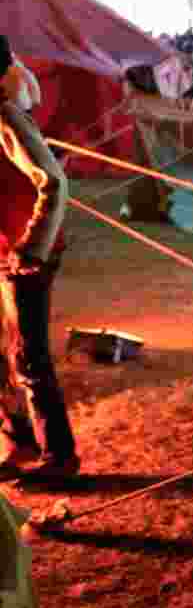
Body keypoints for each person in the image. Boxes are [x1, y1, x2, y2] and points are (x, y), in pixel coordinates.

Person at [0, 36, 79, 482]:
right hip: (3, 250)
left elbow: (53, 181)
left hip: (25, 253)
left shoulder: (6, 117)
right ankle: (20, 443)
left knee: (28, 357)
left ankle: (59, 457)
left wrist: (32, 245)